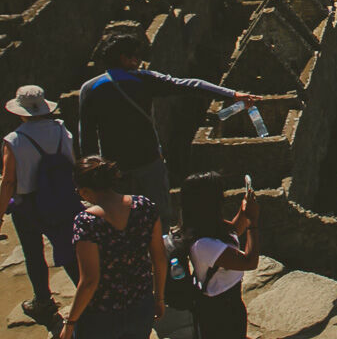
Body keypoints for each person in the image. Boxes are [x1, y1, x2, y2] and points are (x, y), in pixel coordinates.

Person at [77, 32, 259, 220]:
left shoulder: (89, 89)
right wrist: (232, 95)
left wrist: (94, 178)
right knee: (159, 217)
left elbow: (87, 139)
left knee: (121, 219)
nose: (139, 62)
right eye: (135, 57)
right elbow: (190, 85)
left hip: (114, 169)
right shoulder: (142, 80)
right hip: (148, 162)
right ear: (125, 58)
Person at [0, 86, 81, 325]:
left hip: (29, 204)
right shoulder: (61, 130)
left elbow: (9, 181)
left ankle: (44, 301)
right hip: (62, 198)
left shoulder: (14, 140)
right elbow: (72, 162)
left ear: (21, 111)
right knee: (69, 250)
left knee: (34, 253)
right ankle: (90, 295)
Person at [62, 156, 166, 339]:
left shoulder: (87, 222)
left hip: (100, 315)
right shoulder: (145, 207)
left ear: (85, 190)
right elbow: (159, 258)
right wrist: (159, 298)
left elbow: (89, 280)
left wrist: (70, 323)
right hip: (140, 305)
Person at [180, 172, 260, 339]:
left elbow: (234, 230)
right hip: (219, 311)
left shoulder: (208, 225)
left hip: (230, 301)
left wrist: (244, 210)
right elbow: (249, 262)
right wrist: (253, 223)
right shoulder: (203, 244)